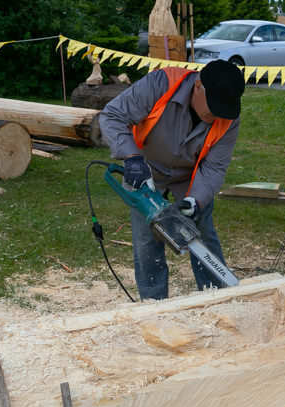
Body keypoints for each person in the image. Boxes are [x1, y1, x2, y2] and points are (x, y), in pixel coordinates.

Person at [99, 59, 245, 300]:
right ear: (198, 86)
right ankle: (154, 302)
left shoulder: (229, 117)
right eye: (213, 106)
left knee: (203, 234)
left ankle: (217, 297)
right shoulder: (161, 84)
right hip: (145, 168)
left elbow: (214, 167)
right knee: (147, 241)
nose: (217, 114)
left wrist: (195, 201)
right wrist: (132, 158)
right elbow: (113, 116)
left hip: (190, 176)